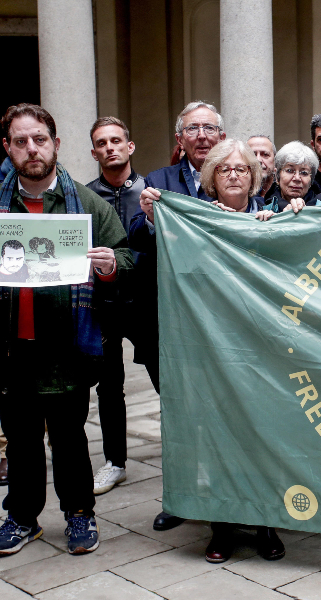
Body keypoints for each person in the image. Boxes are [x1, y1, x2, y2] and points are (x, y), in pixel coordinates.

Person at [0, 103, 132, 556]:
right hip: (10, 347)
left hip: (66, 347)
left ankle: (79, 513)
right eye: (21, 141)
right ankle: (21, 516)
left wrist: (113, 264)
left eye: (39, 139)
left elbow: (127, 255)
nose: (31, 149)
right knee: (19, 440)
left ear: (55, 144)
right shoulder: (0, 204)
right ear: (8, 148)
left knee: (71, 438)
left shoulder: (87, 203)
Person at [128, 100, 227, 533]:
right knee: (179, 413)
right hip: (174, 321)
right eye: (193, 129)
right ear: (179, 138)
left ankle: (231, 493)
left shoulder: (233, 176)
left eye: (209, 128)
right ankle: (182, 496)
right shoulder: (159, 181)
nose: (202, 135)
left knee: (228, 412)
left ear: (221, 137)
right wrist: (150, 218)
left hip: (226, 321)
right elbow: (136, 238)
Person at [195, 139, 284, 563]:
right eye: (224, 169)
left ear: (255, 177)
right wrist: (151, 209)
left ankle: (266, 523)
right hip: (214, 344)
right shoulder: (196, 222)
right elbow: (146, 237)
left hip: (263, 347)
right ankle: (222, 527)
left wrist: (288, 222)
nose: (234, 174)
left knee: (264, 434)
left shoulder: (271, 219)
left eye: (242, 169)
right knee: (220, 437)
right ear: (212, 178)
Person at [86, 116, 146, 496]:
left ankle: (181, 454)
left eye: (116, 140)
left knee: (165, 382)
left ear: (130, 146)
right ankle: (115, 462)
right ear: (94, 152)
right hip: (102, 304)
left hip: (145, 303)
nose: (110, 147)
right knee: (108, 389)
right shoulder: (84, 197)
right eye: (101, 143)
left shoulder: (150, 189)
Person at [266, 141, 319, 213]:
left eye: (304, 173)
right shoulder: (263, 207)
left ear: (311, 181)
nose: (297, 178)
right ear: (277, 176)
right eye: (289, 170)